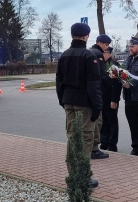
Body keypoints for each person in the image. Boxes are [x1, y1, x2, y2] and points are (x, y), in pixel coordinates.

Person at [56, 23, 102, 188]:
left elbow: (59, 81)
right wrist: (97, 107)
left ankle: (72, 174)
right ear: (86, 36)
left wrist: (63, 100)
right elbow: (94, 84)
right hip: (84, 103)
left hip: (69, 102)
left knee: (72, 137)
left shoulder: (64, 55)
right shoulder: (89, 57)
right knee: (85, 138)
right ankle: (82, 176)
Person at [89, 34, 112, 159]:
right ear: (100, 43)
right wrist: (112, 81)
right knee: (97, 122)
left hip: (87, 93)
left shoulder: (89, 52)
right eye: (106, 45)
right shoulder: (98, 54)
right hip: (98, 92)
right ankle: (94, 149)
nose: (106, 47)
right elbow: (102, 75)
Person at [100, 47, 122, 152]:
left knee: (112, 122)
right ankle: (104, 142)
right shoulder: (100, 64)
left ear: (108, 54)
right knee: (103, 122)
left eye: (103, 53)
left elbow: (117, 85)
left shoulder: (114, 66)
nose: (102, 55)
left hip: (110, 98)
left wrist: (115, 100)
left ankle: (112, 144)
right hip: (101, 98)